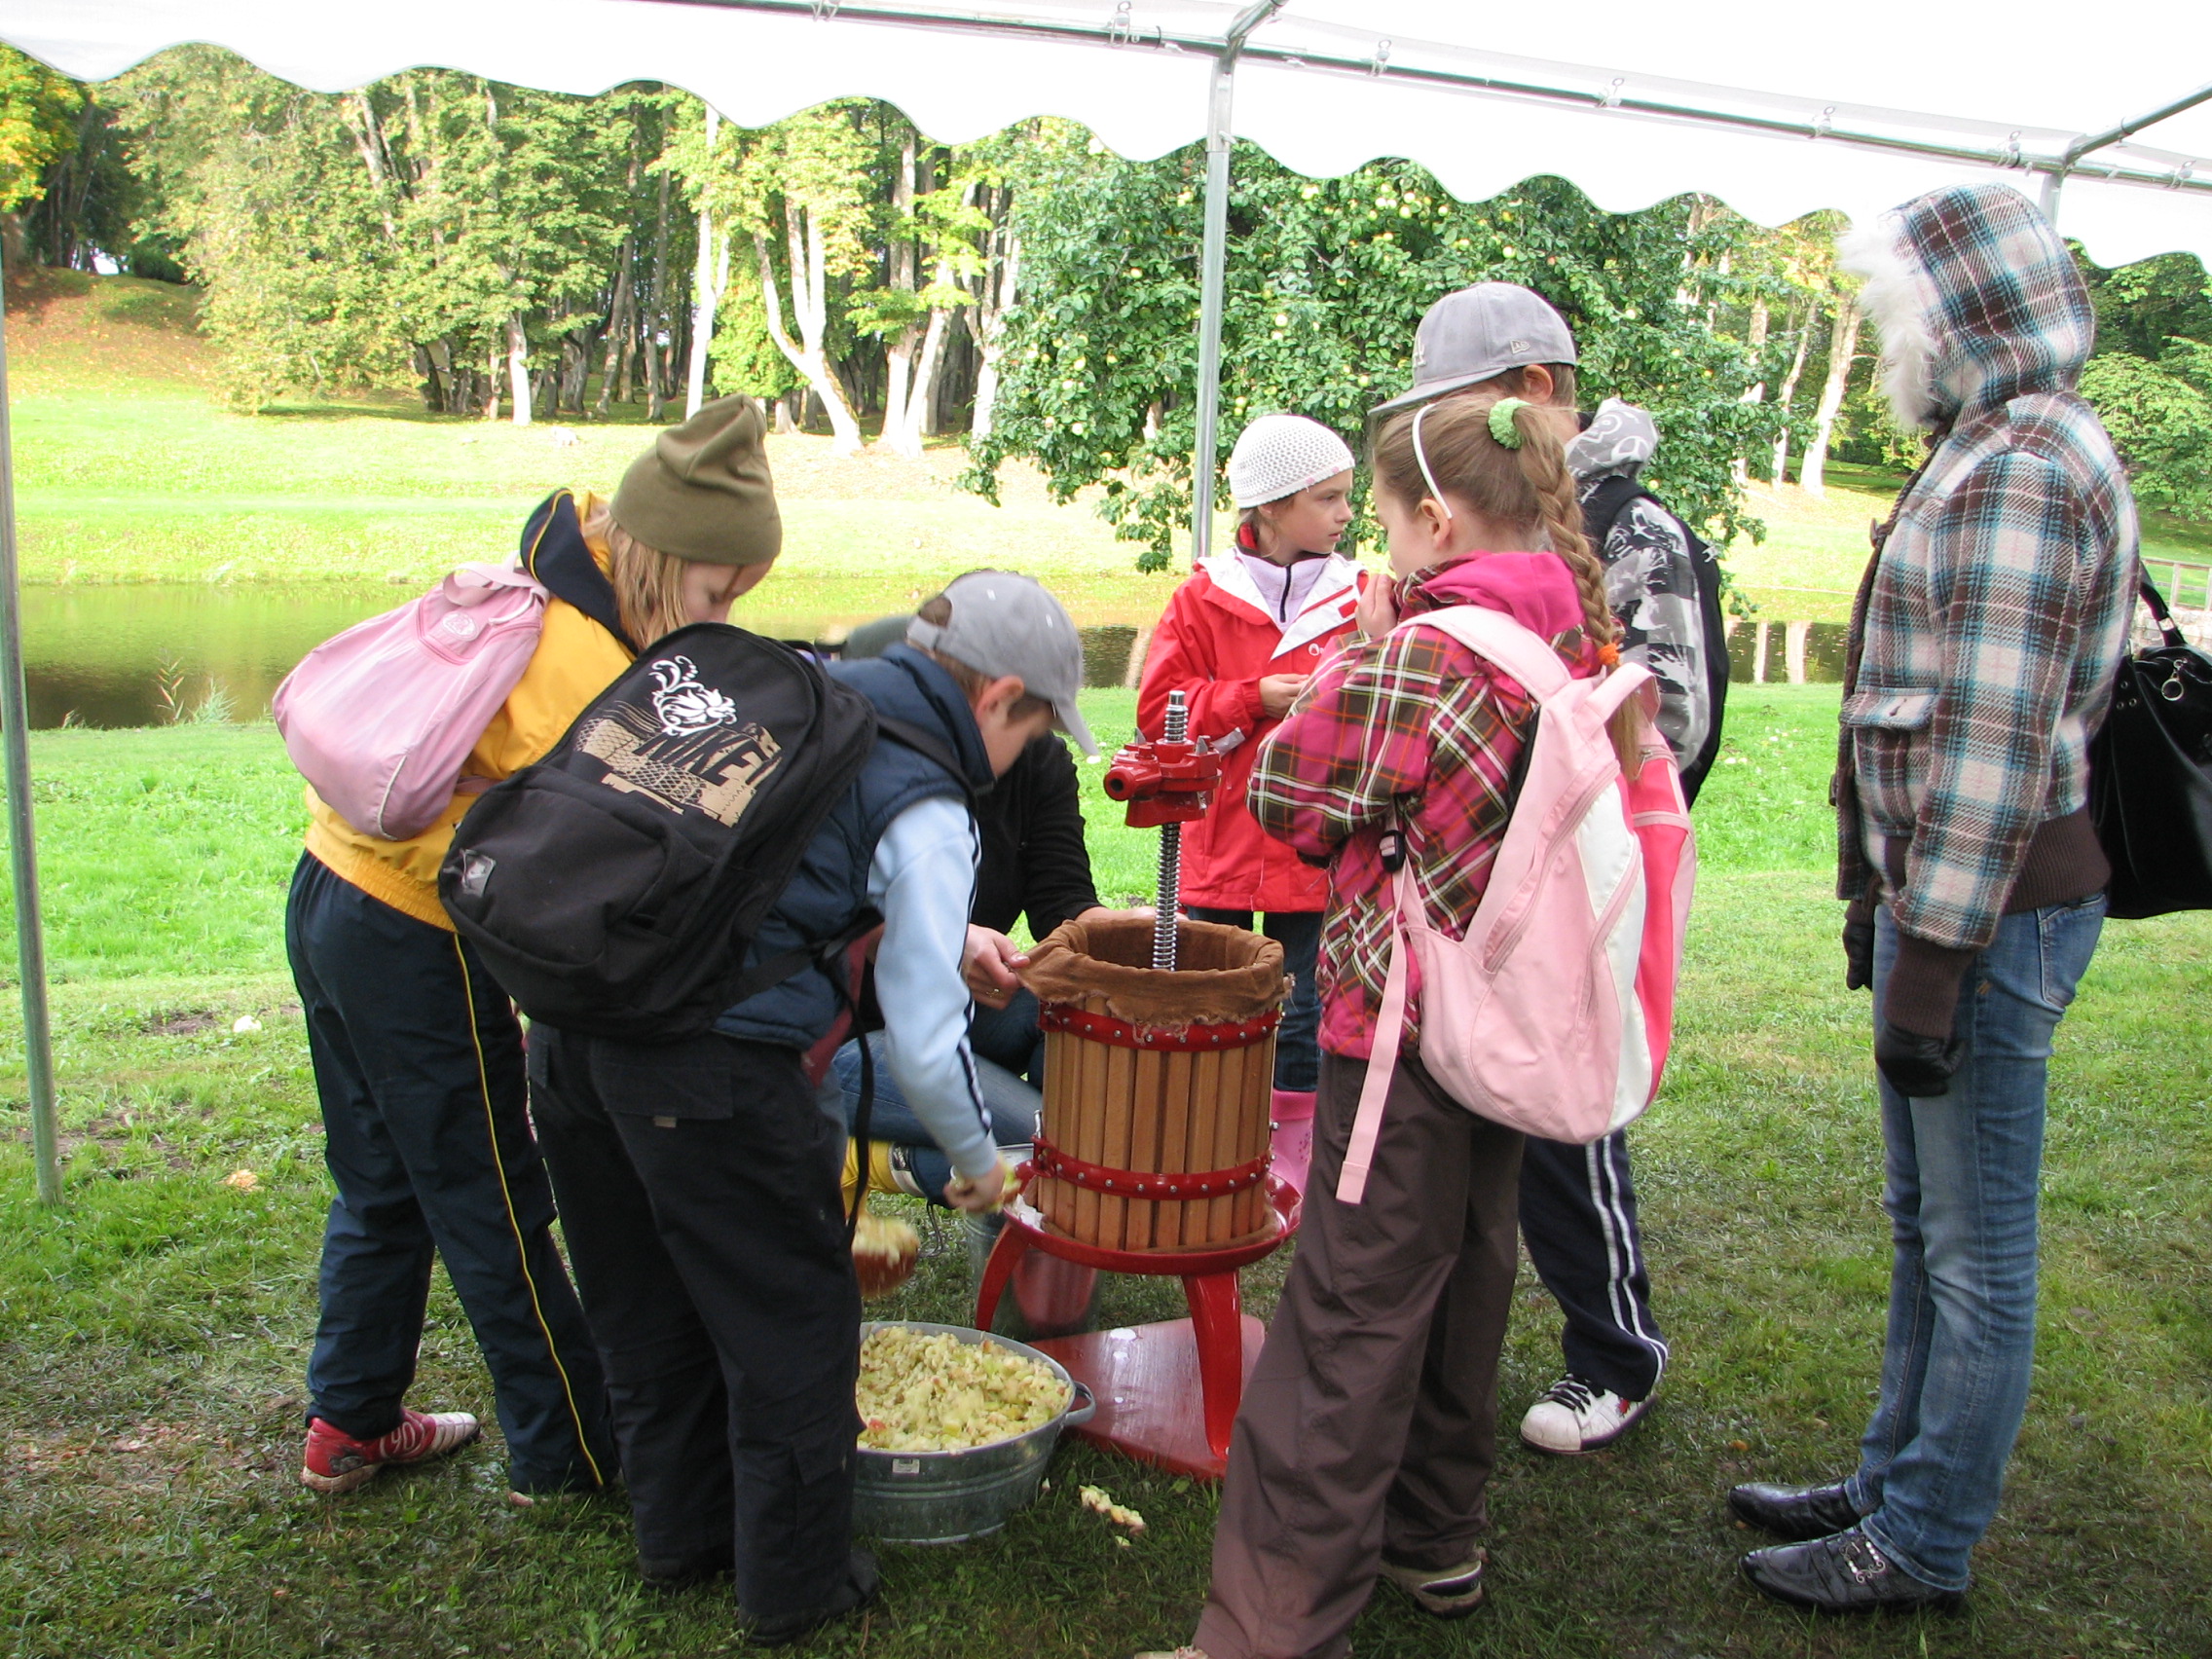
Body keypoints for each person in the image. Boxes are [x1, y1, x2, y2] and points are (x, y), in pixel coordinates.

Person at [1141, 387, 1634, 1659]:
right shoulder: (1569, 619)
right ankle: (1434, 1536)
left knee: (1348, 1318)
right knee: (1471, 1275)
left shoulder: (1428, 648)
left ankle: (1270, 1625)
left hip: (1405, 1025)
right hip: (1510, 1017)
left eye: (1383, 513)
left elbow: (1297, 791)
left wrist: (1364, 648)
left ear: (1431, 516)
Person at [531, 570, 1096, 1645]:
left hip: (572, 1026)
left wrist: (925, 930)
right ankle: (798, 1586)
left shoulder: (797, 686)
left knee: (647, 1301)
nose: (1025, 753)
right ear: (997, 695)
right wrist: (978, 1163)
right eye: (1032, 728)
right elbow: (929, 1048)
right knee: (791, 1325)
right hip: (705, 1068)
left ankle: (682, 1536)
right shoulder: (927, 799)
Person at [1729, 183, 2135, 1613]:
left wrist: (1932, 963)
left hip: (1993, 916)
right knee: (1926, 1226)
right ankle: (1895, 1477)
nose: (1883, 331)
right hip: (1960, 911)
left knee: (1977, 1250)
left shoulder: (2024, 464)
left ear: (1962, 311)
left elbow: (1987, 743)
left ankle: (1922, 1540)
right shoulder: (1988, 441)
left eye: (1896, 306)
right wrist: (1885, 911)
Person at [288, 395, 779, 1501]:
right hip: (414, 939)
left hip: (327, 893)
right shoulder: (576, 663)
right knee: (498, 1201)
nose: (720, 619)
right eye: (715, 594)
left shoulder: (562, 562)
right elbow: (607, 855)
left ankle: (350, 1420)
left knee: (380, 1181)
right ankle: (572, 1453)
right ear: (659, 558)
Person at [1372, 281, 1715, 1454]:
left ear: (1528, 394)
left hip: (1572, 886)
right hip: (1488, 893)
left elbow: (1668, 722)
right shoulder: (1508, 514)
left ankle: (1615, 1350)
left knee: (1575, 1126)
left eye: (1460, 403)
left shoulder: (1632, 528)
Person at [830, 617, 1107, 1209]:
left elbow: (1064, 905)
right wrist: (943, 941)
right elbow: (819, 909)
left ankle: (1045, 1248)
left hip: (956, 1014)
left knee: (1074, 1023)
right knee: (1060, 1142)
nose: (1036, 742)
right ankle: (866, 1159)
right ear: (995, 697)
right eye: (1032, 725)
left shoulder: (1037, 764)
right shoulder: (864, 755)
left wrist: (1115, 935)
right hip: (840, 1034)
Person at [1136, 413, 1363, 1101]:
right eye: (1328, 498)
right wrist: (1252, 698)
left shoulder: (1362, 601)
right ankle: (1209, 1137)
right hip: (1219, 846)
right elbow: (1159, 717)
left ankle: (1293, 1154)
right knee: (1212, 1003)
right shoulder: (1201, 599)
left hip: (1312, 848)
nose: (1346, 515)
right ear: (1270, 505)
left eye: (1348, 496)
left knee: (1302, 1012)